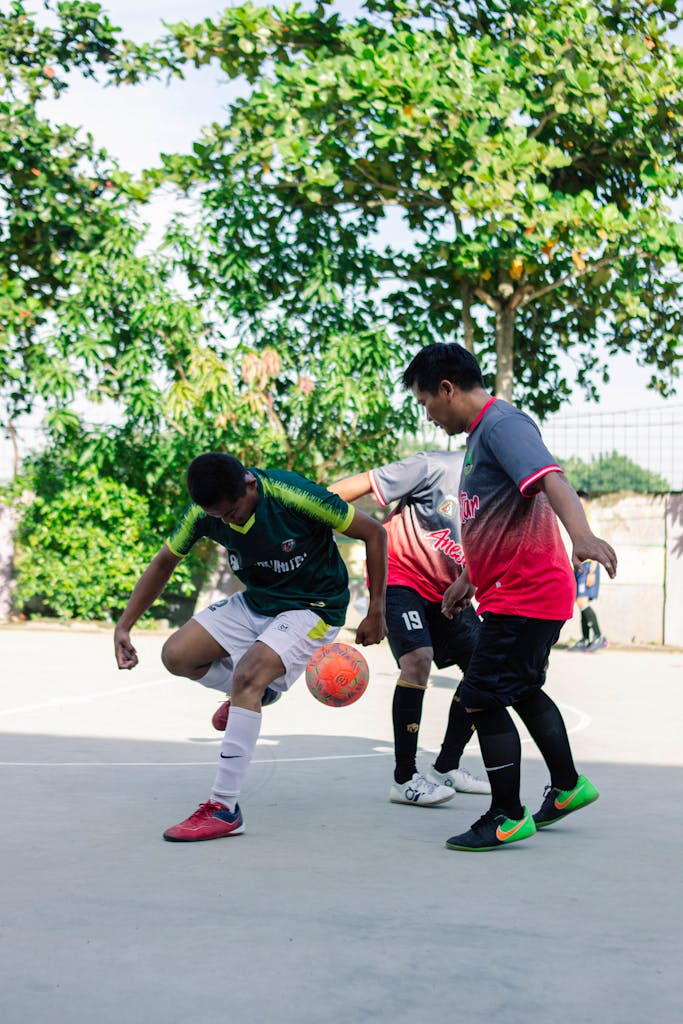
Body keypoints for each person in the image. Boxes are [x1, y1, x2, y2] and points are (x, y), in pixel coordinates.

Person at [402, 343, 617, 852]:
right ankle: (566, 788)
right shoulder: (481, 438)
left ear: (447, 389)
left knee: (479, 698)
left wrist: (581, 535)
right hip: (510, 592)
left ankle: (505, 815)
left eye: (424, 402)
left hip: (527, 595)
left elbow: (550, 478)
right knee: (518, 689)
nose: (427, 415)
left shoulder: (502, 425)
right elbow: (496, 522)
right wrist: (467, 580)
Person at [114, 452, 387, 842]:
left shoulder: (293, 494)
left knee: (248, 676)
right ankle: (260, 694)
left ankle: (224, 807)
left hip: (315, 607)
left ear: (248, 484)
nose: (230, 521)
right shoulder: (205, 513)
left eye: (234, 511)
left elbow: (374, 532)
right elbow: (164, 562)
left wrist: (377, 609)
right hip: (258, 601)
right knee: (177, 655)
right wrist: (125, 625)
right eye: (220, 517)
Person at [329, 453, 490, 807]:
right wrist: (307, 516)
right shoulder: (433, 466)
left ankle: (446, 767)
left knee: (484, 667)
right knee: (418, 659)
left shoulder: (501, 492)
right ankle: (404, 778)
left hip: (450, 586)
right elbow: (354, 486)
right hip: (402, 575)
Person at [569, 490, 608, 652]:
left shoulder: (592, 522)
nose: (578, 505)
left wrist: (592, 571)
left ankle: (599, 637)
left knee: (582, 601)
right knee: (580, 602)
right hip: (579, 567)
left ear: (587, 503)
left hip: (588, 567)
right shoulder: (579, 521)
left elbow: (596, 547)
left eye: (581, 502)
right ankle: (585, 639)